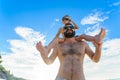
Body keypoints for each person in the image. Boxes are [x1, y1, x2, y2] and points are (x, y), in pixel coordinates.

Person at [36, 23, 106, 80]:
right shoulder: (58, 46)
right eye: (66, 28)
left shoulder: (83, 44)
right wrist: (42, 53)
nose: (69, 29)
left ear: (74, 30)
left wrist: (98, 48)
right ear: (63, 31)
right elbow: (49, 62)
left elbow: (95, 59)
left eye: (71, 27)